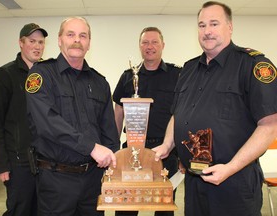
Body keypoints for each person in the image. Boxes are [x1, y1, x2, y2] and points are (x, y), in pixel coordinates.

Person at [153, 1, 277, 216]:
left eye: (214, 24)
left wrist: (230, 168)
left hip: (234, 181)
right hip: (194, 180)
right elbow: (178, 113)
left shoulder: (252, 65)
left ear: (229, 27)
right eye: (202, 25)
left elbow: (270, 125)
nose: (207, 31)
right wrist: (167, 144)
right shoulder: (189, 69)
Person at [25, 16, 119, 216]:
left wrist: (113, 161)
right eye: (71, 34)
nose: (77, 40)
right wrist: (91, 147)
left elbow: (108, 128)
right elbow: (48, 123)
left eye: (82, 35)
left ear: (89, 43)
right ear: (60, 40)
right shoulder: (41, 75)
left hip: (93, 180)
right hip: (56, 180)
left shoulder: (100, 82)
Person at [113, 27, 182, 216]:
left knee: (164, 206)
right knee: (126, 204)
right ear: (139, 46)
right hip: (132, 151)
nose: (149, 47)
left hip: (166, 152)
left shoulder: (177, 75)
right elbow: (119, 111)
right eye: (145, 42)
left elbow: (181, 113)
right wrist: (113, 146)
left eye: (154, 42)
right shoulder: (128, 76)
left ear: (162, 45)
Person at [0, 23, 48, 216]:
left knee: (42, 209)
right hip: (18, 162)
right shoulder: (5, 75)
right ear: (21, 43)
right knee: (20, 210)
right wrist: (1, 165)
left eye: (40, 42)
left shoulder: (47, 73)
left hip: (45, 160)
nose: (37, 46)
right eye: (32, 41)